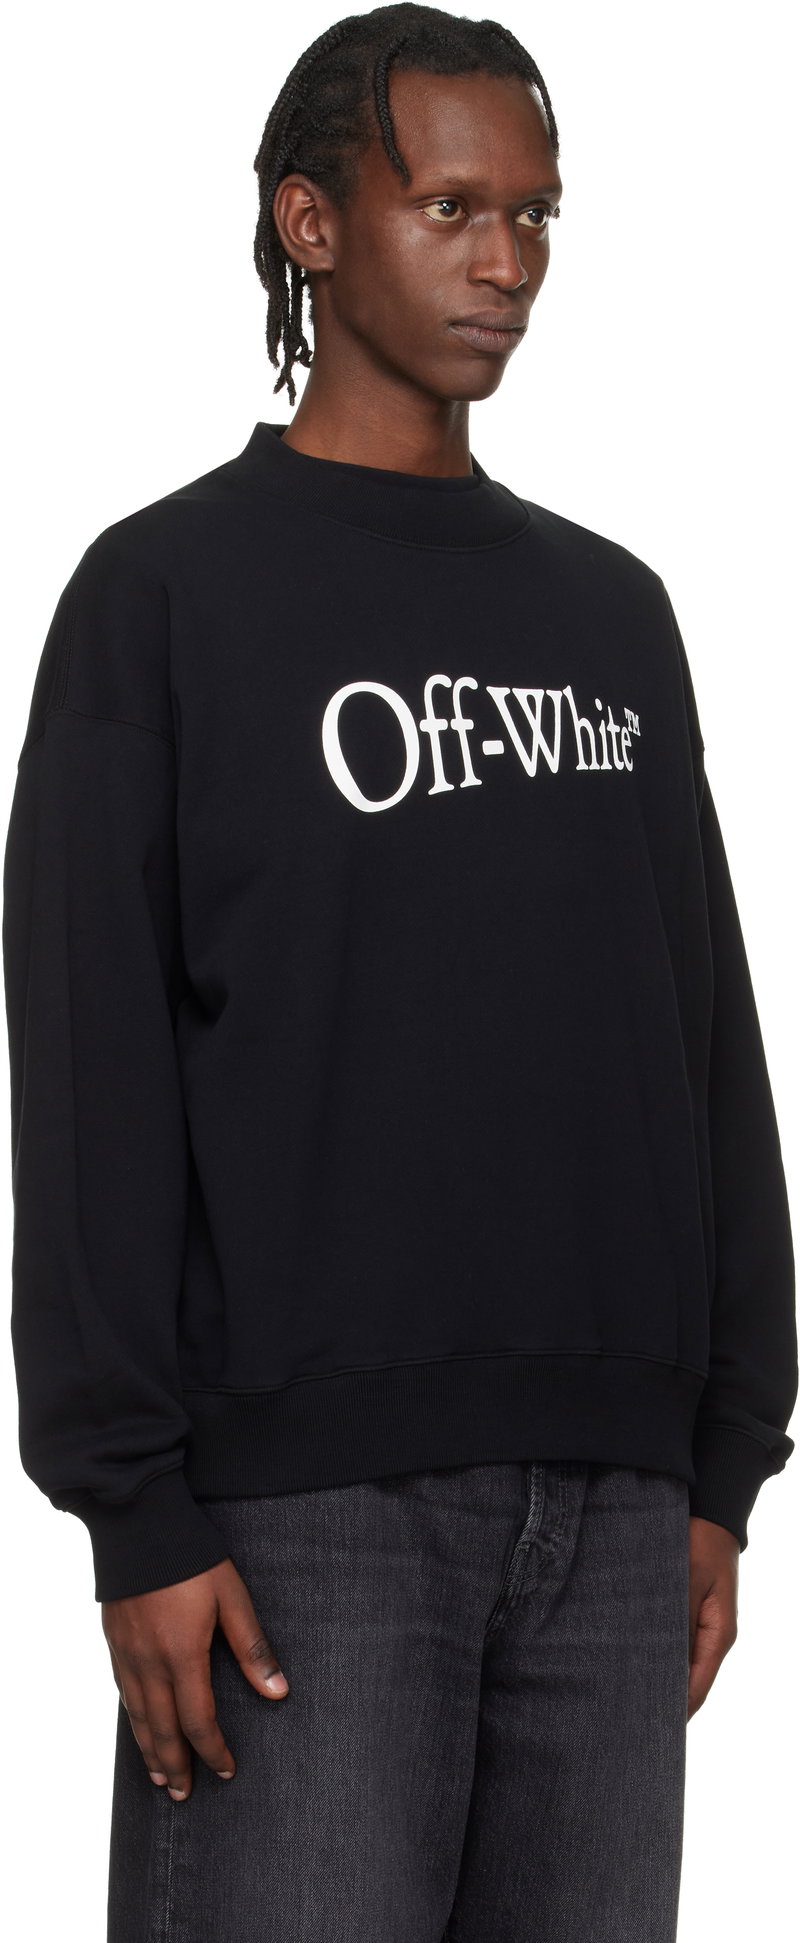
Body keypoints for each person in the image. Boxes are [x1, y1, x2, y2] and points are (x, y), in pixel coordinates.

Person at [2, 5, 796, 1940]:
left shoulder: (613, 612)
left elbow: (701, 1037)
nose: (505, 260)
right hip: (301, 1530)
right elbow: (91, 1061)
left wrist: (722, 1458)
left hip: (617, 1517)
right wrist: (135, 1506)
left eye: (535, 214)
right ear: (312, 222)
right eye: (450, 207)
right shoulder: (162, 598)